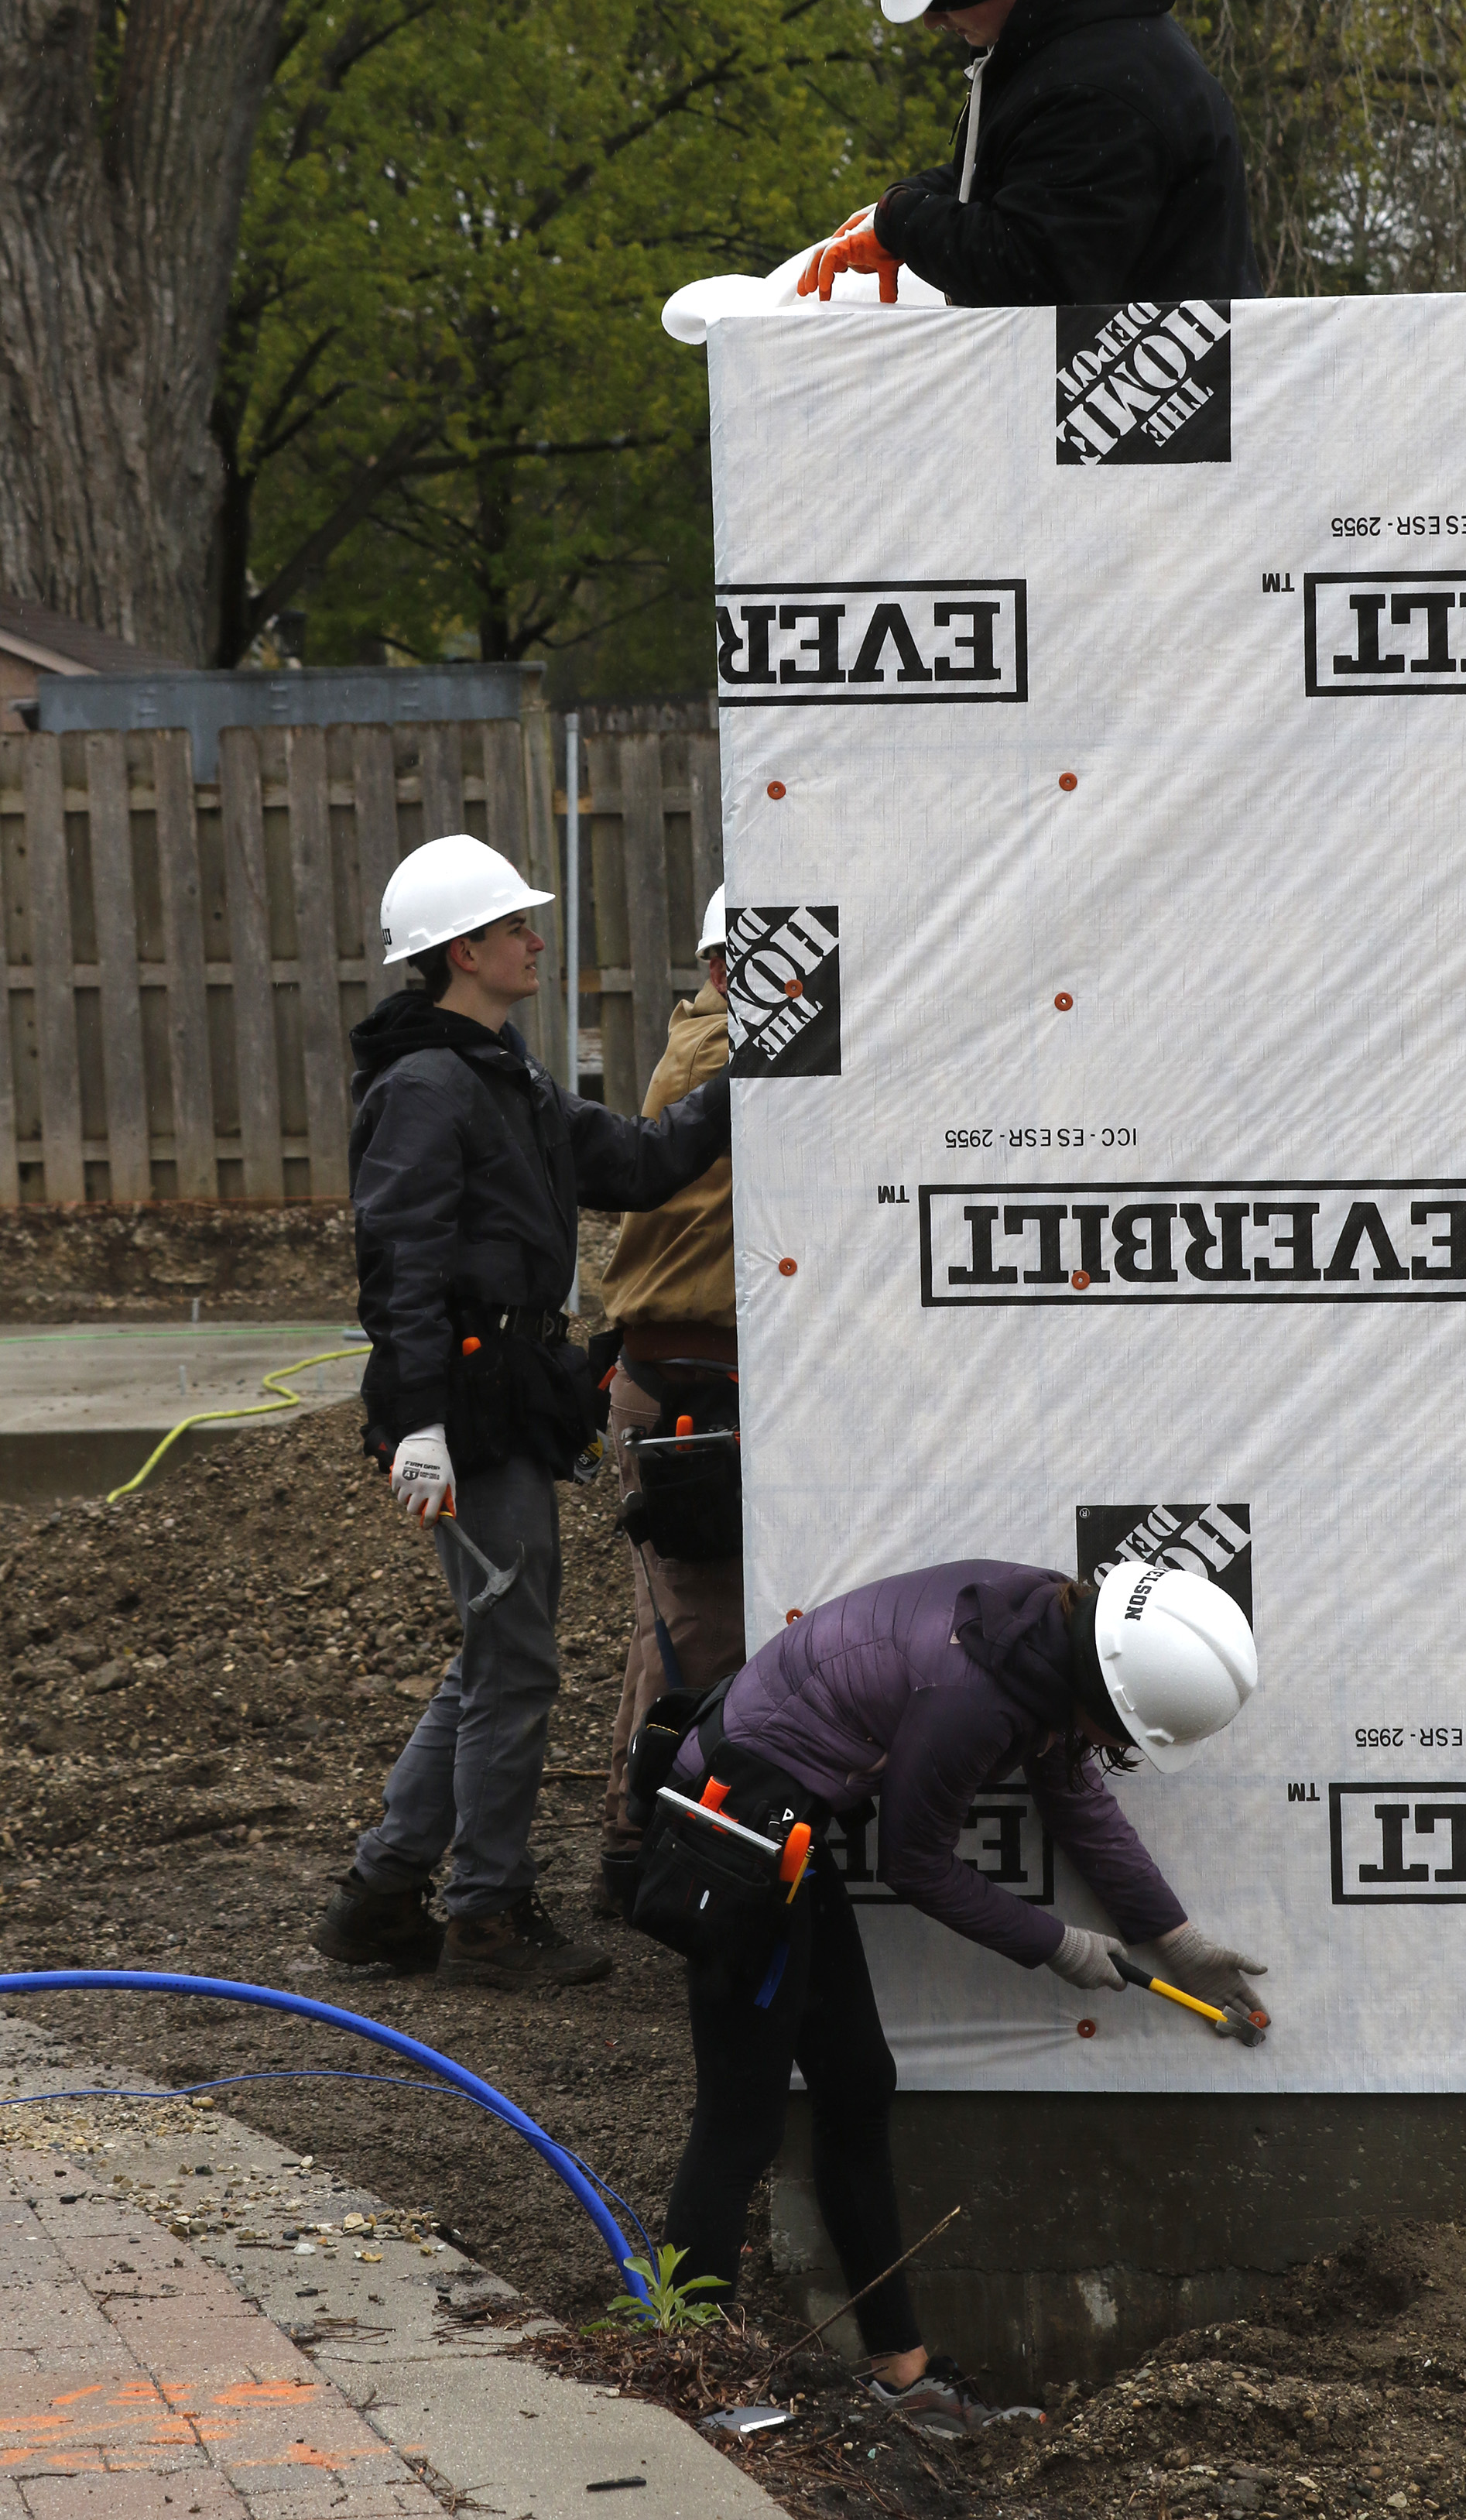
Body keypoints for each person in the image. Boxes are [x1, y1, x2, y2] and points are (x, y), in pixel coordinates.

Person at [633, 1556, 1265, 2429]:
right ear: (1107, 1682)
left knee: (857, 2086)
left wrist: (1177, 1941)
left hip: (791, 1829)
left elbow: (1075, 1796)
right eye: (1117, 1730)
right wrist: (1059, 1943)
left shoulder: (1052, 1631)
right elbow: (917, 1864)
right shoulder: (976, 1696)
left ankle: (903, 2376)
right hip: (737, 1831)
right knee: (741, 2118)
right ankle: (690, 2378)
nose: (1111, 1749)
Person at [311, 832, 731, 1992]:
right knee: (516, 1667)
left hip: (502, 1399)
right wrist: (414, 1425)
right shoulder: (426, 1087)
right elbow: (395, 1265)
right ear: (462, 952)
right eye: (514, 928)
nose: (536, 939)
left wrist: (752, 1075)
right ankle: (486, 1915)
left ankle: (383, 1891)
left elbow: (644, 1163)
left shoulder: (504, 1074)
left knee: (494, 1660)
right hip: (467, 1411)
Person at [800, 0, 1263, 309]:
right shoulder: (1063, 42)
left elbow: (1031, 271)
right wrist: (899, 208)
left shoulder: (1096, 85)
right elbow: (1018, 177)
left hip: (1177, 379)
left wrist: (904, 220)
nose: (932, 22)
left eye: (938, 1)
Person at [588, 886, 745, 1922]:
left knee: (675, 1630)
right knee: (697, 1635)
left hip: (687, 1378)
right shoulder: (725, 1054)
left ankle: (631, 1839)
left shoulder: (706, 1038)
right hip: (687, 1383)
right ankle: (640, 1849)